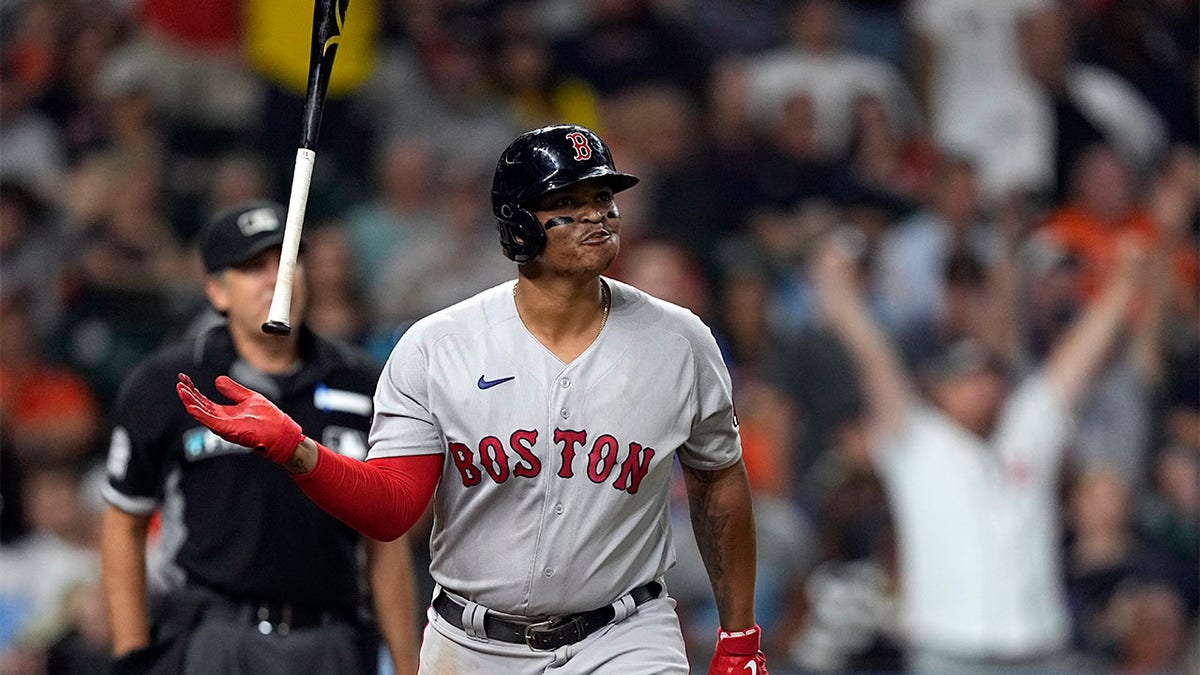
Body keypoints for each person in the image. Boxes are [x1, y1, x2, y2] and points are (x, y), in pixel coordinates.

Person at [174, 125, 769, 674]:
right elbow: (393, 509)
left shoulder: (681, 340)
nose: (597, 217)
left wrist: (738, 636)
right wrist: (295, 449)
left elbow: (718, 477)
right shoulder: (439, 346)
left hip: (625, 634)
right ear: (518, 225)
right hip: (472, 645)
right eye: (568, 204)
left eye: (602, 199)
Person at [99, 201, 419, 674]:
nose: (277, 278)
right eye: (253, 267)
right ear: (216, 290)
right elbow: (123, 520)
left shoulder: (365, 382)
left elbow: (384, 542)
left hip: (332, 639)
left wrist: (407, 665)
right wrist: (131, 652)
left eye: (288, 260)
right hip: (215, 634)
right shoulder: (168, 383)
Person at [809, 231, 1147, 674]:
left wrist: (1124, 285)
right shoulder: (915, 441)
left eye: (990, 377)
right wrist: (840, 297)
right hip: (948, 651)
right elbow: (876, 362)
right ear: (941, 390)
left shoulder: (1027, 429)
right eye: (967, 379)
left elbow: (1076, 363)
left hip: (1040, 647)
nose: (983, 387)